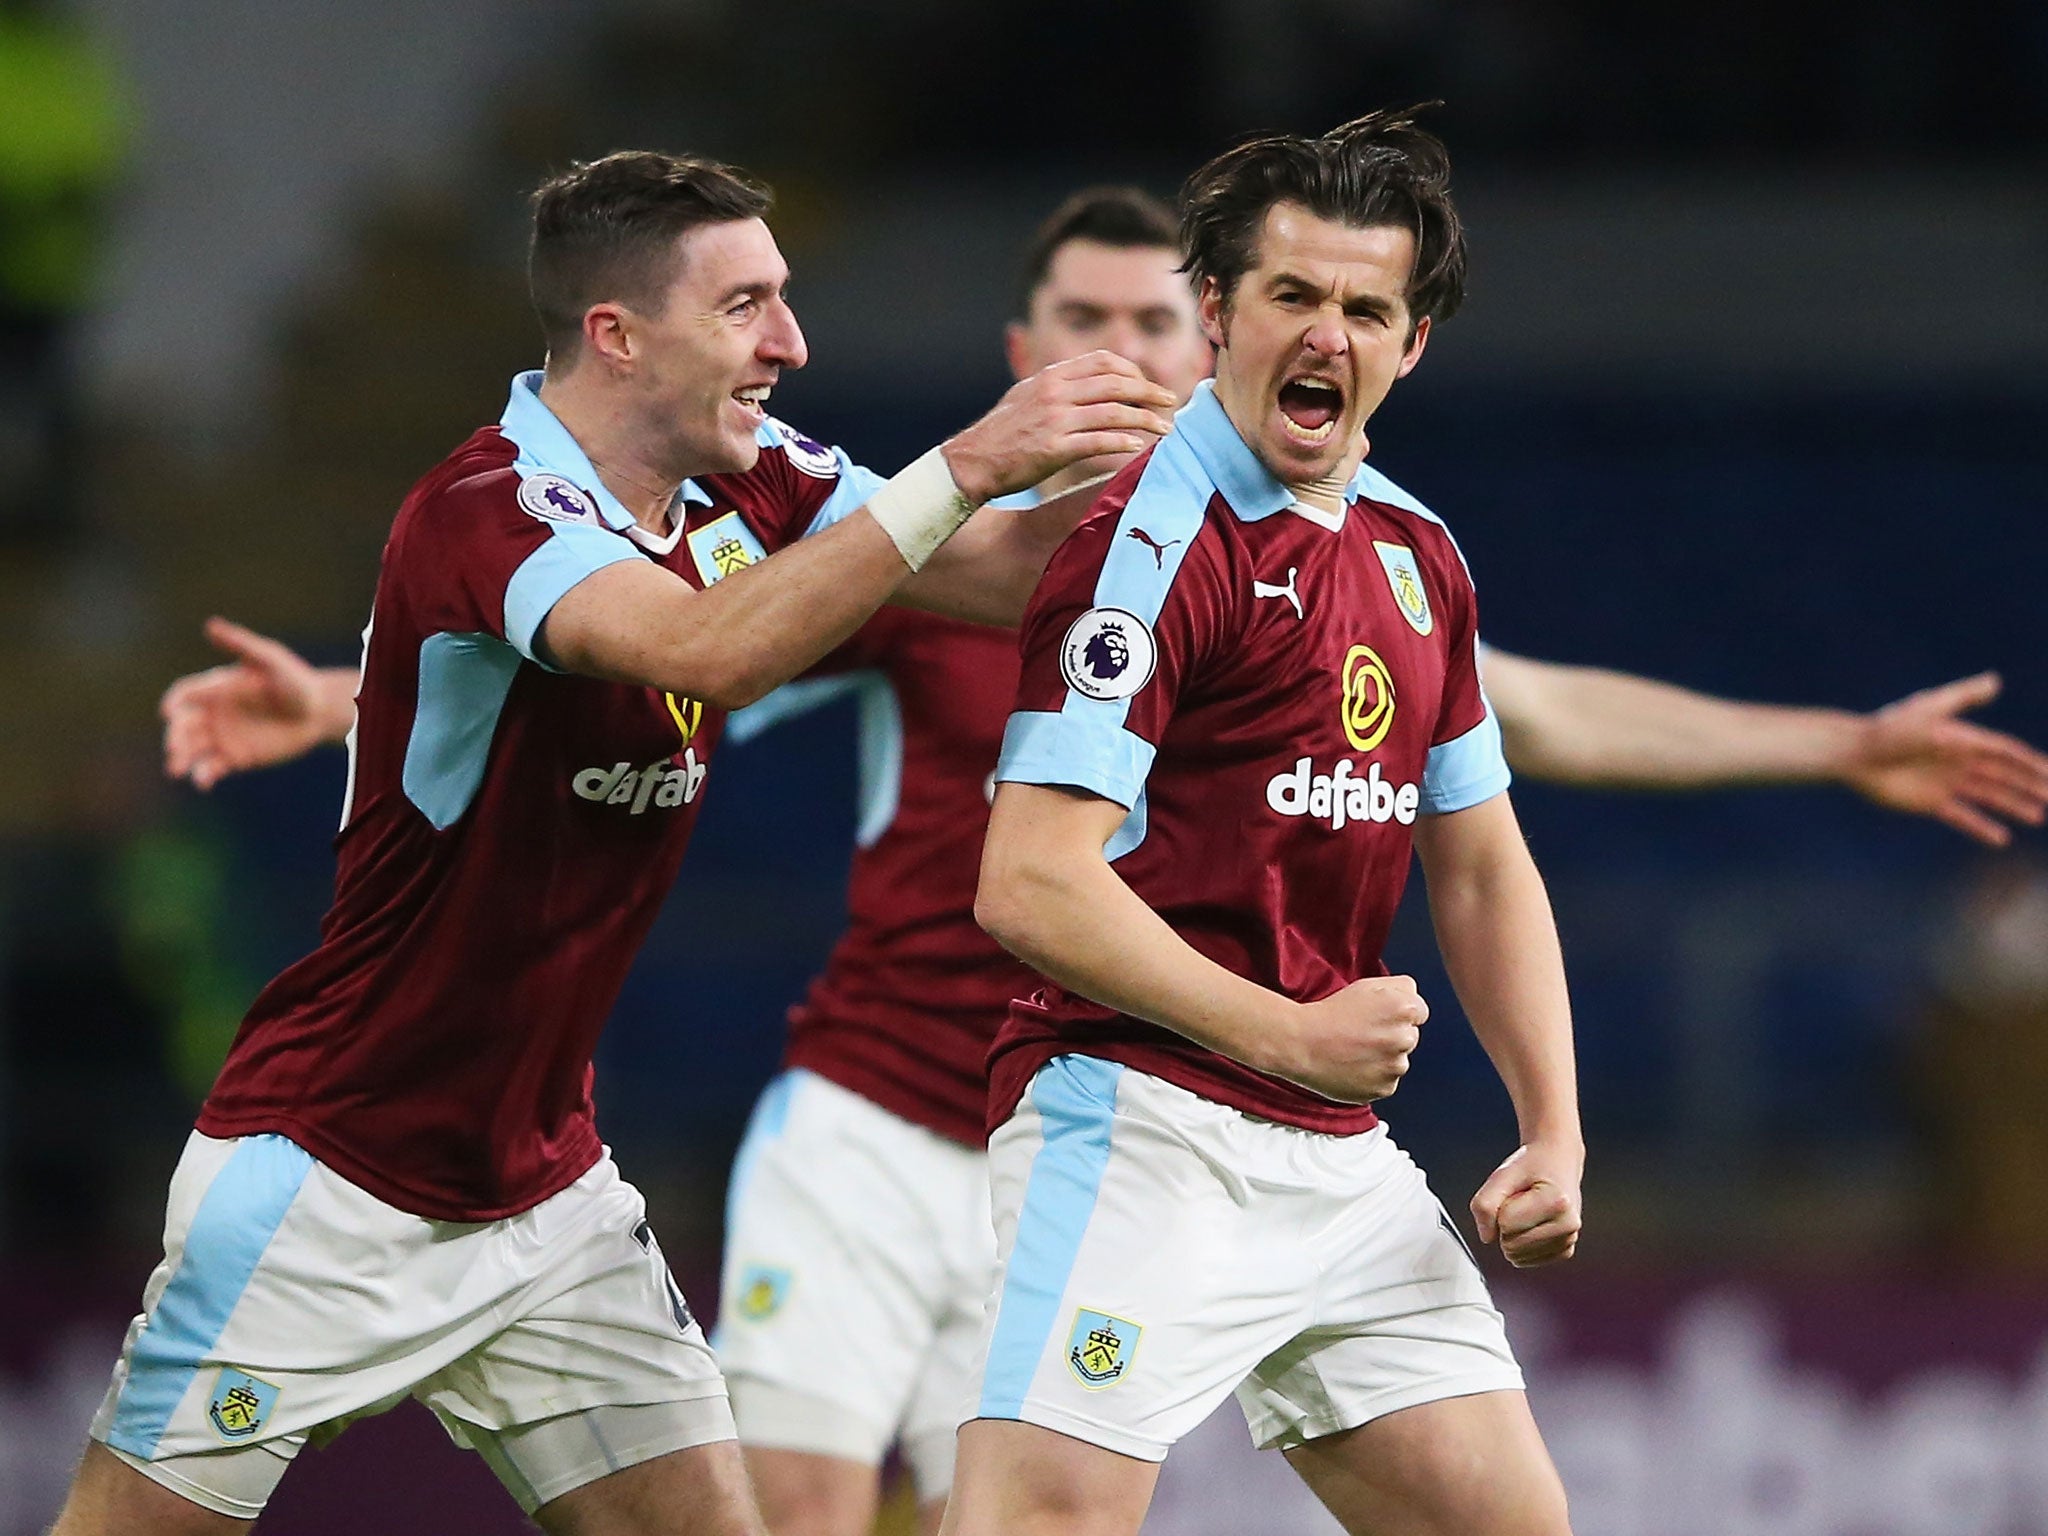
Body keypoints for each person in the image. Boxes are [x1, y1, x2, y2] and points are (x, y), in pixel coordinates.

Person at [154, 184, 2048, 1536]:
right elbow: (655, 650)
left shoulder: (1335, 551)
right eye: (1096, 327)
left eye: (1151, 322)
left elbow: (1506, 742)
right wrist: (344, 696)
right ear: (1039, 349)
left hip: (1225, 1127)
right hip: (945, 1108)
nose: (1130, 355)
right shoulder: (923, 560)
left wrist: (1832, 743)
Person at [55, 149, 1176, 1536]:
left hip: (545, 1201)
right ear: (618, 336)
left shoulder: (753, 483)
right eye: (747, 306)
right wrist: (970, 459)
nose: (792, 343)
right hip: (331, 1179)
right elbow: (717, 652)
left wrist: (1214, 458)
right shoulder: (485, 510)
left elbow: (1005, 575)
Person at [958, 108, 1577, 1536]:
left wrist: (1554, 1129)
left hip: (1332, 1154)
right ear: (1221, 313)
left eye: (1367, 308)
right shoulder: (1146, 548)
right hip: (1140, 1122)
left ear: (1410, 343)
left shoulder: (1419, 552)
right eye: (1293, 296)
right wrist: (1290, 1032)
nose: (1328, 335)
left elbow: (1479, 862)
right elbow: (1030, 883)